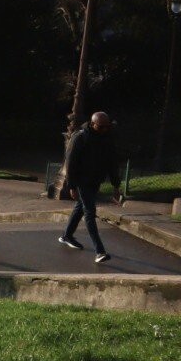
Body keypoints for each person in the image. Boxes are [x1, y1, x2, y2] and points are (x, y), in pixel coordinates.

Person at [60, 111, 123, 263]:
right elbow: (71, 163)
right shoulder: (81, 137)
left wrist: (116, 185)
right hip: (82, 180)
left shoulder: (107, 137)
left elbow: (112, 162)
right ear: (93, 123)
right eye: (101, 127)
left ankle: (67, 236)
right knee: (90, 211)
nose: (105, 130)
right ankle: (100, 251)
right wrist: (72, 186)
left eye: (107, 127)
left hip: (95, 180)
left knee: (81, 206)